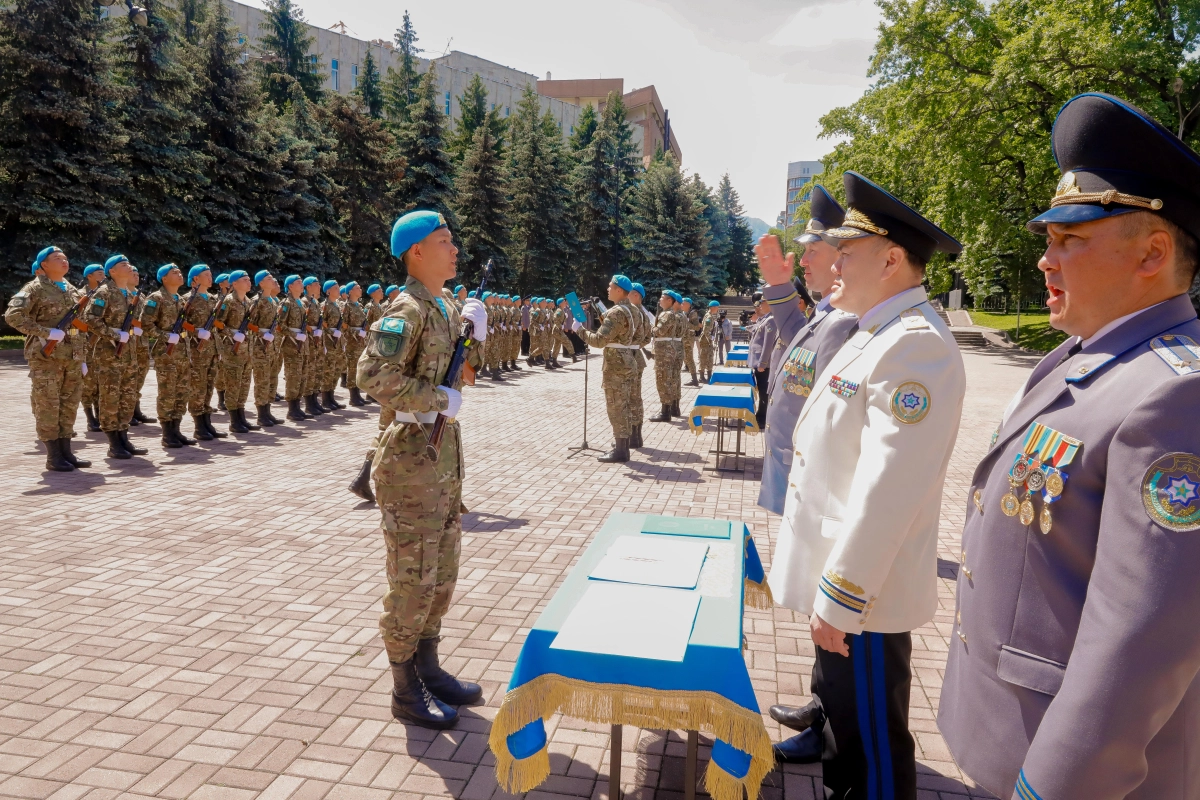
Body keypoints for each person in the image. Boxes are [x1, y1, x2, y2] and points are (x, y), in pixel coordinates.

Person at [939, 93, 1200, 800]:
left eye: (1071, 239)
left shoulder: (1176, 393)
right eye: (1048, 237)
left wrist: (1052, 786)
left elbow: (1141, 640)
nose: (1045, 259)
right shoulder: (1080, 358)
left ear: (1152, 252)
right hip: (1018, 739)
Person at [766, 171, 965, 798]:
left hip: (864, 601)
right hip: (846, 589)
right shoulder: (874, 332)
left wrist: (843, 597)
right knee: (845, 739)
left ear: (892, 258)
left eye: (846, 254)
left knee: (873, 751)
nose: (833, 266)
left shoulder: (913, 347)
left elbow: (889, 489)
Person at [357, 210, 487, 729]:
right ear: (415, 252)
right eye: (443, 241)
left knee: (441, 575)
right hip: (410, 462)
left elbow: (466, 374)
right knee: (412, 580)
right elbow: (371, 374)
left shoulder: (444, 305)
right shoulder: (405, 309)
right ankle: (404, 689)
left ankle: (428, 667)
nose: (454, 249)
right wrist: (436, 398)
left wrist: (476, 332)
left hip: (442, 463)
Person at [753, 185, 857, 527]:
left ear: (841, 255)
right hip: (795, 467)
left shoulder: (845, 319)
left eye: (813, 250)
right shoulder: (827, 311)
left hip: (812, 480)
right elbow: (798, 335)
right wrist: (781, 286)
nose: (804, 261)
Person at [5, 246, 91, 471]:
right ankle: (53, 457)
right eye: (57, 258)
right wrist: (45, 332)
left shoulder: (72, 290)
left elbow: (79, 327)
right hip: (46, 357)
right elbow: (12, 316)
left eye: (65, 257)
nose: (64, 261)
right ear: (44, 265)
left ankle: (66, 452)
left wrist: (81, 358)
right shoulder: (34, 288)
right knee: (48, 405)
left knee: (69, 404)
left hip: (71, 357)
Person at [83, 255, 148, 459]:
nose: (129, 267)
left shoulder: (130, 294)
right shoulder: (104, 292)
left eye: (129, 264)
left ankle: (124, 437)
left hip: (129, 353)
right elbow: (90, 318)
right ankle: (113, 443)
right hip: (109, 353)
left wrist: (136, 330)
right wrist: (114, 334)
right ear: (112, 271)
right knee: (111, 396)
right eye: (123, 265)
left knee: (127, 396)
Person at [578, 275, 639, 462]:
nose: (608, 289)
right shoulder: (632, 310)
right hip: (628, 360)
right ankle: (624, 446)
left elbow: (599, 340)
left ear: (620, 290)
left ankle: (621, 451)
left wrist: (579, 330)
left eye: (611, 287)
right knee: (626, 405)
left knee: (616, 407)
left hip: (616, 366)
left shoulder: (616, 312)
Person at [139, 264, 195, 448]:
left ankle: (176, 430)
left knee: (182, 393)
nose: (180, 275)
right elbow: (145, 325)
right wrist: (165, 336)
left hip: (182, 353)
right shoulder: (155, 298)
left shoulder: (180, 299)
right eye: (174, 273)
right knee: (167, 393)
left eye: (180, 272)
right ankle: (167, 434)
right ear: (164, 278)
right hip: (166, 354)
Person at [181, 264, 225, 442]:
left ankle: (207, 421)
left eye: (210, 274)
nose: (210, 277)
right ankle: (199, 426)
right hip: (196, 349)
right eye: (205, 275)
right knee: (198, 387)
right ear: (195, 280)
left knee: (208, 386)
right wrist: (195, 331)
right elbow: (179, 323)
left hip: (212, 348)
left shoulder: (213, 299)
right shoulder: (187, 299)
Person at [213, 271, 259, 434]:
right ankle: (234, 421)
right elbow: (217, 323)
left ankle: (242, 417)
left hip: (247, 349)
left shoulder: (248, 301)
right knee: (233, 384)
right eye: (245, 280)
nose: (249, 282)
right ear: (234, 283)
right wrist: (232, 334)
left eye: (249, 279)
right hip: (232, 350)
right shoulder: (228, 301)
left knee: (244, 384)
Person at [247, 270, 283, 427]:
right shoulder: (257, 301)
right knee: (262, 380)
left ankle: (268, 412)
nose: (273, 280)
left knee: (272, 379)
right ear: (261, 283)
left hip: (273, 347)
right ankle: (261, 415)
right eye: (269, 278)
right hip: (260, 347)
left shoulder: (273, 301)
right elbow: (248, 324)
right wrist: (262, 333)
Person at [649, 290, 686, 421]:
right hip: (672, 348)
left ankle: (665, 412)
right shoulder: (676, 315)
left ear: (670, 301)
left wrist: (650, 326)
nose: (660, 300)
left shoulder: (668, 314)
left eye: (662, 298)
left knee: (663, 380)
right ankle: (673, 408)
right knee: (672, 378)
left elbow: (658, 331)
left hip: (665, 350)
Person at [126, 267, 156, 428]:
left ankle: (136, 410)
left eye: (138, 274)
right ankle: (127, 412)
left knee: (140, 376)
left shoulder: (141, 295)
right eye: (133, 274)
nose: (136, 276)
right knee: (129, 379)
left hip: (142, 343)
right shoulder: (122, 294)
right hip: (128, 342)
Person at [80, 264, 106, 432]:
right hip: (87, 344)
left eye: (104, 272)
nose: (103, 275)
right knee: (88, 383)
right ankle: (90, 417)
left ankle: (100, 415)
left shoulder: (107, 294)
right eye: (99, 273)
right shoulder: (81, 295)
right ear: (89, 276)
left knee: (100, 382)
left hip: (103, 345)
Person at [627, 284, 652, 444]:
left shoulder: (634, 312)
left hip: (630, 357)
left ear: (636, 295)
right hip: (637, 356)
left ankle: (632, 435)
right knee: (635, 397)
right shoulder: (645, 313)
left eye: (628, 293)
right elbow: (648, 338)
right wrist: (637, 345)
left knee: (630, 397)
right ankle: (636, 435)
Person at [745, 300, 777, 429]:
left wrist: (763, 363)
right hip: (758, 361)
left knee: (764, 391)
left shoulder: (771, 320)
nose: (759, 306)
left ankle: (762, 418)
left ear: (769, 304)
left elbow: (767, 345)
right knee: (761, 389)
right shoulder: (765, 319)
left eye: (762, 303)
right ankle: (760, 415)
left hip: (763, 364)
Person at [301, 276, 327, 416]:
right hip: (309, 340)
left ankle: (314, 400)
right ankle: (309, 403)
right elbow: (302, 322)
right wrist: (312, 330)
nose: (318, 286)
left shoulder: (315, 302)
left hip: (317, 340)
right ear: (308, 287)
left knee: (317, 370)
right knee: (310, 371)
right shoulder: (304, 302)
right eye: (315, 284)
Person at [341, 281, 369, 406]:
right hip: (352, 342)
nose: (360, 289)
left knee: (359, 368)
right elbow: (343, 325)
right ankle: (353, 397)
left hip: (361, 342)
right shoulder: (347, 306)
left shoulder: (359, 306)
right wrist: (356, 333)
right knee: (352, 368)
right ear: (350, 291)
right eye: (357, 288)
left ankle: (357, 394)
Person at [320, 280, 346, 410]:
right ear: (328, 291)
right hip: (329, 342)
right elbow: (322, 323)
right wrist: (331, 331)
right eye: (335, 288)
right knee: (328, 370)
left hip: (338, 342)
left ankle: (331, 397)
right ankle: (325, 399)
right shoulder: (325, 305)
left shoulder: (337, 305)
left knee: (336, 369)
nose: (338, 290)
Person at [212, 272, 231, 412]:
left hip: (231, 338)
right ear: (221, 284)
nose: (231, 282)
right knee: (220, 370)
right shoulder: (217, 300)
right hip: (219, 338)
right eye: (227, 280)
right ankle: (221, 399)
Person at [680, 298, 700, 386]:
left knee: (689, 359)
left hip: (688, 340)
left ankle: (694, 379)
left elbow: (697, 327)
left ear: (688, 304)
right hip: (682, 339)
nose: (682, 305)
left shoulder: (693, 313)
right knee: (684, 358)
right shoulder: (683, 313)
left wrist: (686, 322)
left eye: (683, 303)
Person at [699, 301, 719, 380]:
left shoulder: (709, 315)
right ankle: (703, 377)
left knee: (708, 358)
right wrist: (711, 340)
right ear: (713, 307)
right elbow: (706, 331)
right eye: (717, 307)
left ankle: (707, 376)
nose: (718, 309)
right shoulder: (709, 317)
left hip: (706, 340)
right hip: (706, 341)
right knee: (705, 358)